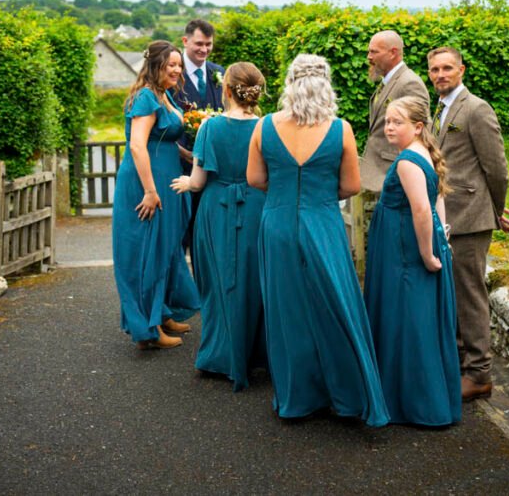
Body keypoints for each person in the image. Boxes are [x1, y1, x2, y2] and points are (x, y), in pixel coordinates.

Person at [247, 54, 389, 427]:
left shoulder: (264, 126)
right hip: (323, 222)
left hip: (276, 224)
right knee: (335, 304)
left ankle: (296, 398)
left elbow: (254, 179)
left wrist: (283, 191)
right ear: (326, 85)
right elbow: (353, 186)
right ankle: (345, 394)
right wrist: (320, 194)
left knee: (287, 310)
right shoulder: (340, 128)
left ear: (289, 84)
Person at [364, 96, 461, 426]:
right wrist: (442, 235)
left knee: (406, 317)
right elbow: (438, 202)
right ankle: (423, 397)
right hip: (415, 241)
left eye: (397, 122)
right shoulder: (424, 155)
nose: (389, 127)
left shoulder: (408, 160)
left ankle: (413, 401)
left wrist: (426, 252)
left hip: (403, 249)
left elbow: (422, 208)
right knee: (417, 315)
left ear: (418, 127)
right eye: (388, 121)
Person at [170, 62, 267, 391]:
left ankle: (220, 355)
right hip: (255, 208)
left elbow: (198, 181)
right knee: (253, 281)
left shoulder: (211, 128)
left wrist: (185, 181)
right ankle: (255, 355)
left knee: (217, 281)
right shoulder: (266, 127)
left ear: (226, 90)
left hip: (216, 210)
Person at [427, 46, 509, 401]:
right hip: (450, 216)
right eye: (434, 69)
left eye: (447, 68)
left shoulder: (476, 109)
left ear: (461, 70)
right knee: (456, 294)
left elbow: (497, 167)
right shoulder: (441, 110)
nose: (441, 74)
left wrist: (496, 208)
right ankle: (462, 364)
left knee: (471, 296)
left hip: (470, 217)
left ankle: (480, 374)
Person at [111, 40, 201, 350]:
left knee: (165, 248)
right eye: (171, 65)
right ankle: (148, 327)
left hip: (166, 179)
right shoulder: (146, 97)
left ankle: (162, 313)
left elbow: (161, 141)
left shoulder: (163, 96)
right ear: (155, 66)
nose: (177, 69)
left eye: (178, 64)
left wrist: (192, 157)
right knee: (148, 250)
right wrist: (150, 191)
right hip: (145, 183)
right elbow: (138, 145)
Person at [172, 19, 225, 259]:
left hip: (212, 169)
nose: (204, 50)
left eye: (209, 44)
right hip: (178, 167)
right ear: (185, 41)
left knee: (208, 238)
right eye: (199, 44)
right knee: (179, 234)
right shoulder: (172, 72)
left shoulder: (219, 73)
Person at [360, 30, 430, 192]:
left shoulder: (409, 83)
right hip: (377, 174)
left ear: (393, 53)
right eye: (369, 51)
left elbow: (421, 132)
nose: (369, 57)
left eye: (374, 52)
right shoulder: (388, 81)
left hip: (392, 175)